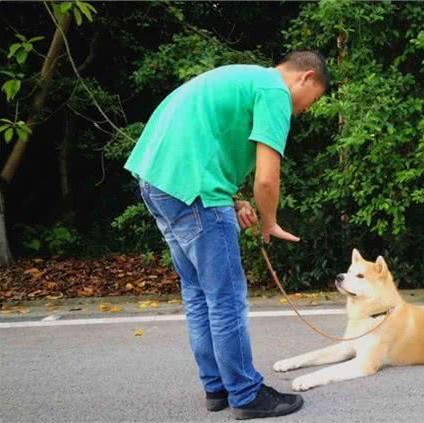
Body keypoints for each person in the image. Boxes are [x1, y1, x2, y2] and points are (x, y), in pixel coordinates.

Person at [124, 51, 329, 420]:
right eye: (311, 101)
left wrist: (230, 198)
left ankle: (217, 387)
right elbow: (267, 177)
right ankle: (247, 394)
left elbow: (203, 140)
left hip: (157, 180)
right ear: (306, 77)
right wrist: (270, 222)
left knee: (199, 294)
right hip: (194, 191)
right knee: (227, 299)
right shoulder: (274, 91)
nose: (304, 111)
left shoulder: (243, 78)